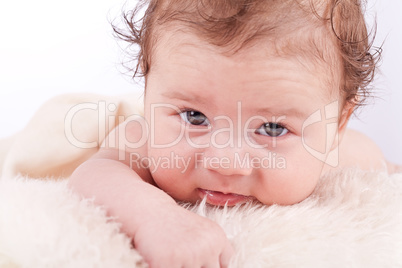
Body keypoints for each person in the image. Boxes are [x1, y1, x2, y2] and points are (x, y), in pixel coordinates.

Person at [68, 0, 397, 266]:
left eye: (272, 128)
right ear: (148, 94)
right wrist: (154, 217)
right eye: (194, 117)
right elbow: (95, 173)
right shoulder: (143, 136)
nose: (226, 162)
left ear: (337, 127)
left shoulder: (349, 154)